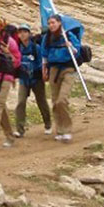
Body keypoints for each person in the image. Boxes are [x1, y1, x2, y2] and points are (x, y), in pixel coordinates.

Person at [40, 15, 80, 143]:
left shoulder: (68, 35)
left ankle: (67, 129)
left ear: (59, 23)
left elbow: (77, 51)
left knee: (62, 100)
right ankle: (59, 130)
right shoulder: (47, 37)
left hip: (68, 69)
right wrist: (44, 70)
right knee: (55, 101)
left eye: (53, 22)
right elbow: (44, 55)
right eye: (49, 23)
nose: (51, 25)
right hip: (54, 70)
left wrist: (70, 46)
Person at [14, 24, 52, 137]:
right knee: (21, 102)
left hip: (36, 79)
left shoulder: (36, 48)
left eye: (24, 32)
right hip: (23, 80)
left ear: (29, 34)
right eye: (20, 32)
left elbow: (42, 63)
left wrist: (42, 73)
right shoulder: (18, 48)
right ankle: (20, 129)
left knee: (41, 101)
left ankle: (48, 124)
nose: (22, 34)